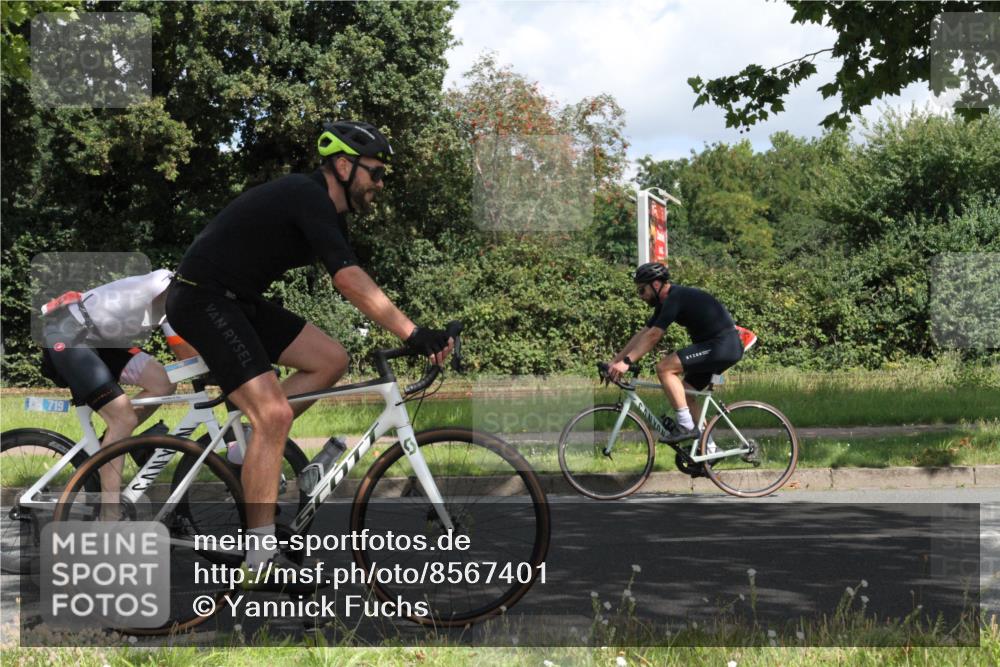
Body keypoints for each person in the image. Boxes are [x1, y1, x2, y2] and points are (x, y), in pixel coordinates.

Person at [165, 120, 453, 582]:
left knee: (331, 359)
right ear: (343, 165)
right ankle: (260, 559)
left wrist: (413, 329)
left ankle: (249, 454)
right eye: (375, 173)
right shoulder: (308, 195)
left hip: (239, 301)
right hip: (203, 298)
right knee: (274, 415)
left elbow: (353, 275)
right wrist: (412, 332)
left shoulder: (328, 212)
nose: (379, 184)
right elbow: (347, 279)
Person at [39, 269, 197, 510]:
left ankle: (109, 447)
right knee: (122, 419)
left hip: (100, 338)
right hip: (70, 334)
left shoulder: (178, 291)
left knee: (163, 382)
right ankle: (109, 516)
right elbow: (186, 355)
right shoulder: (166, 288)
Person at [605, 262, 745, 444]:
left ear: (656, 285)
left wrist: (627, 362)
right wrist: (615, 361)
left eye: (642, 290)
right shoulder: (665, 302)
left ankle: (686, 426)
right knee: (686, 394)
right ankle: (709, 450)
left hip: (723, 345)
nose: (641, 296)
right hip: (718, 346)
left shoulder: (675, 297)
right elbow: (644, 333)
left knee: (664, 368)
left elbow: (654, 336)